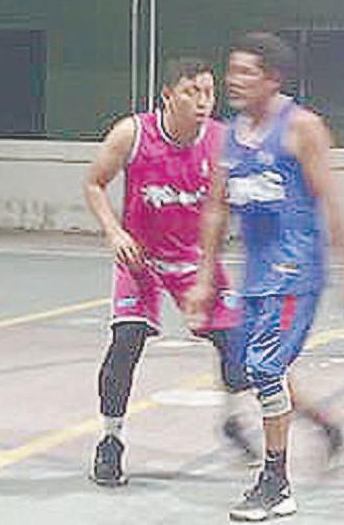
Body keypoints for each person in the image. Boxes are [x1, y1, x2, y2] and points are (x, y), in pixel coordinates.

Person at [189, 31, 344, 524]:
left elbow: (331, 201)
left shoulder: (301, 128)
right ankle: (329, 427)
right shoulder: (229, 135)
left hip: (295, 271)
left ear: (273, 79)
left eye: (246, 72)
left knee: (265, 368)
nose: (233, 81)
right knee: (252, 370)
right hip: (255, 274)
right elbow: (216, 208)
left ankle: (275, 482)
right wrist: (205, 275)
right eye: (232, 71)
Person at [81, 58, 257, 487]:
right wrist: (114, 232)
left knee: (236, 351)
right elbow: (94, 183)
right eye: (191, 92)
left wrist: (206, 273)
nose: (202, 101)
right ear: (167, 95)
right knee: (126, 341)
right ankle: (110, 440)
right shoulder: (133, 133)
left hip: (194, 258)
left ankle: (232, 421)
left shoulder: (221, 141)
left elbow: (218, 209)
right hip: (141, 258)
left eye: (208, 92)